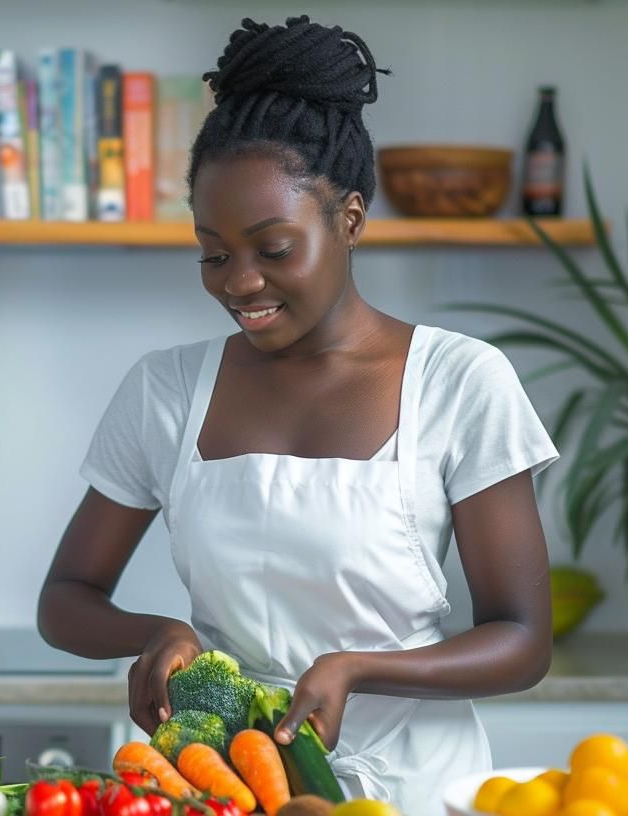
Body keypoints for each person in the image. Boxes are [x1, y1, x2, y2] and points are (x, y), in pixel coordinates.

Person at [36, 16, 559, 816]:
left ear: (348, 219)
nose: (239, 283)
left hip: (412, 785)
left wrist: (359, 667)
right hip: (221, 782)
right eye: (213, 254)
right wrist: (155, 633)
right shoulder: (167, 390)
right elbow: (65, 598)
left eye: (273, 249)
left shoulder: (458, 381)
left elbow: (523, 640)